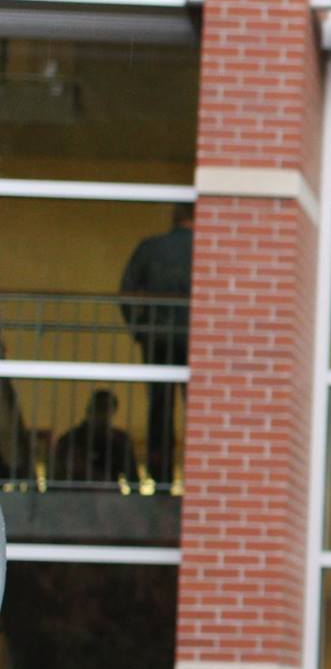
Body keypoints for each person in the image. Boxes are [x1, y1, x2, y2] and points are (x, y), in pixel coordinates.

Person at [119, 203, 192, 482]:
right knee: (197, 408)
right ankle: (199, 473)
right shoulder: (207, 248)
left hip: (156, 337)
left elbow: (126, 291)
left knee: (159, 409)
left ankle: (160, 475)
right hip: (195, 339)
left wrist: (138, 329)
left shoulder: (150, 247)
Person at [49, 389, 140, 486]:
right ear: (90, 409)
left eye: (106, 408)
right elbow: (57, 476)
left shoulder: (120, 440)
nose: (102, 413)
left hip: (107, 495)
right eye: (99, 407)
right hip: (79, 495)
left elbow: (133, 478)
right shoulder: (70, 439)